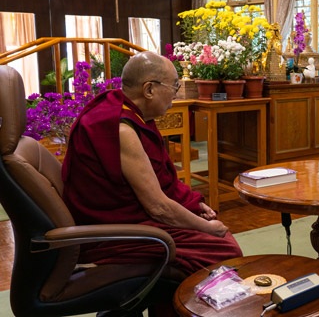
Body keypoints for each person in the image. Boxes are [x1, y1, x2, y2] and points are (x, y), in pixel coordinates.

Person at [62, 52, 243, 280]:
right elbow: (158, 208)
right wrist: (207, 228)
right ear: (149, 90)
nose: (175, 95)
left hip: (129, 216)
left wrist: (193, 205)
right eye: (174, 87)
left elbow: (161, 180)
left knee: (216, 237)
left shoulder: (128, 112)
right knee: (224, 248)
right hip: (112, 232)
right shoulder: (121, 130)